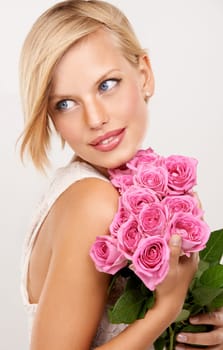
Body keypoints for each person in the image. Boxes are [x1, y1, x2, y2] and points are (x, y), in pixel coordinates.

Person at [19, 1, 223, 349]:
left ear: (144, 74)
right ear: (49, 116)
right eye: (65, 103)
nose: (95, 118)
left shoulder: (126, 187)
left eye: (106, 85)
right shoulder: (92, 201)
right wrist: (164, 311)